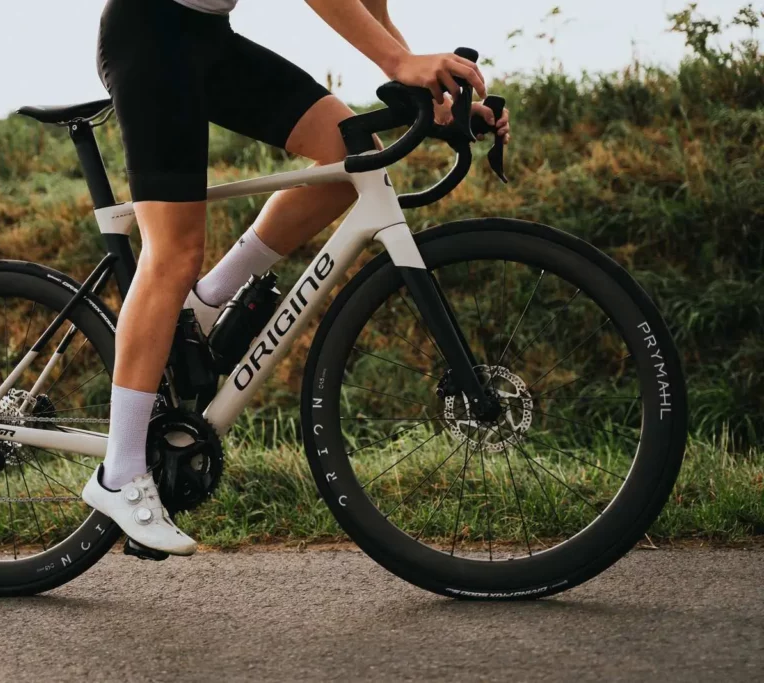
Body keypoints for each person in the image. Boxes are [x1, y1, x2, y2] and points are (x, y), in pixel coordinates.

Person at [81, 0, 511, 555]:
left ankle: (208, 301)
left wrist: (433, 99)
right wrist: (401, 62)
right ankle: (119, 474)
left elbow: (371, 7)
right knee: (173, 253)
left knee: (351, 155)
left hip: (208, 39)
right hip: (150, 34)